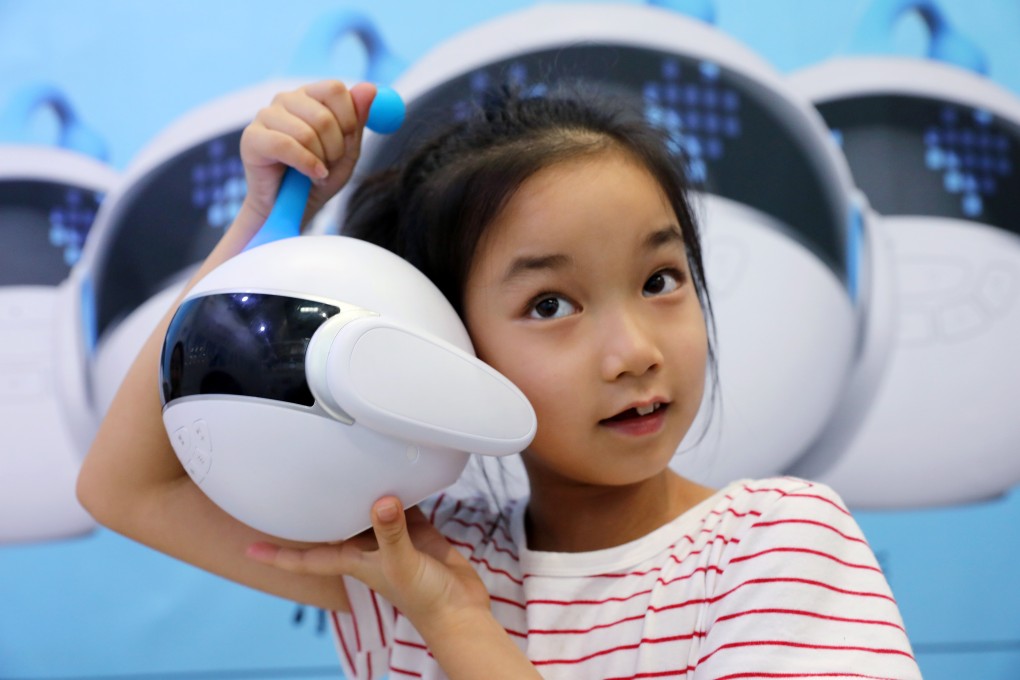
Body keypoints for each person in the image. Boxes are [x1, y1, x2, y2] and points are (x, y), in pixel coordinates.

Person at [77, 79, 922, 679]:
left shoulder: (777, 546)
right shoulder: (404, 559)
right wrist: (264, 224)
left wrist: (457, 625)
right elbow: (125, 486)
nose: (632, 351)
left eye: (660, 279)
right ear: (446, 352)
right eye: (552, 303)